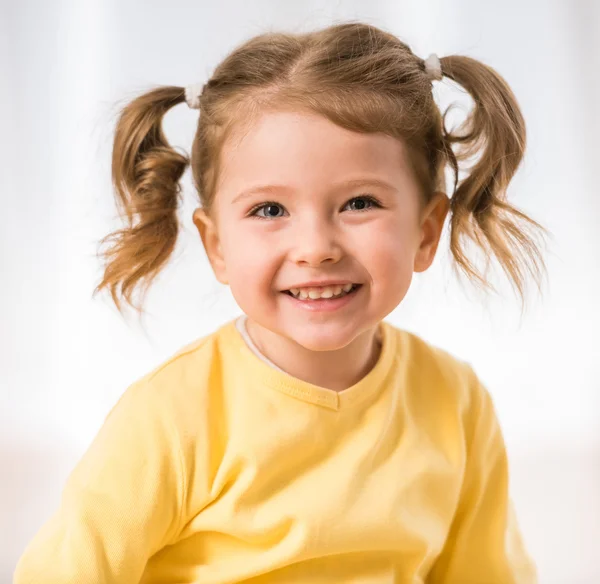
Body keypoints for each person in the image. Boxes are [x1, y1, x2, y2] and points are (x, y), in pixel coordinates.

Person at [14, 20, 547, 583]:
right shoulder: (169, 419)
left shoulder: (455, 402)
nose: (316, 248)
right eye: (269, 210)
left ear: (425, 231)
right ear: (216, 245)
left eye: (360, 202)